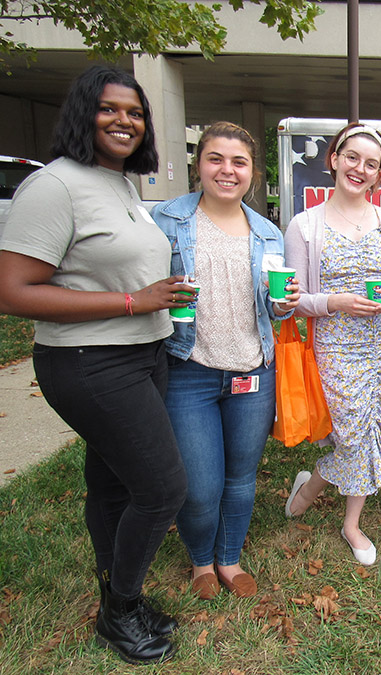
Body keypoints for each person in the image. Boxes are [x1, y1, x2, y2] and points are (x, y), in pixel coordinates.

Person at [0, 65, 195, 664]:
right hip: (89, 362)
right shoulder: (55, 186)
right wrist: (135, 300)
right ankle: (120, 610)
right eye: (110, 109)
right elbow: (12, 291)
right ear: (84, 113)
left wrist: (154, 298)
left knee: (113, 483)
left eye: (135, 113)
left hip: (141, 354)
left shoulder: (119, 184)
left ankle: (121, 598)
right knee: (163, 489)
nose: (124, 121)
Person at [151, 122, 298, 599]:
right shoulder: (168, 221)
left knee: (240, 477)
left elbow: (272, 307)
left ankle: (229, 558)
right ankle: (200, 561)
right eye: (216, 158)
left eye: (239, 162)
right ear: (199, 164)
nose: (227, 170)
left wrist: (283, 304)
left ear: (253, 172)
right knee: (198, 486)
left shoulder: (268, 233)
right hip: (188, 370)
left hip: (253, 370)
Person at [283, 123, 381, 566]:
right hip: (338, 347)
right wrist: (336, 301)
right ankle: (309, 488)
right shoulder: (304, 225)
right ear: (334, 158)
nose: (358, 169)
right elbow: (296, 301)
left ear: (379, 173)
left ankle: (351, 522)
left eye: (370, 163)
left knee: (379, 430)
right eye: (351, 158)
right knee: (350, 433)